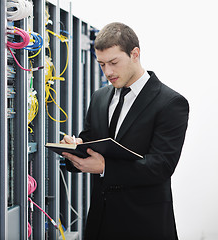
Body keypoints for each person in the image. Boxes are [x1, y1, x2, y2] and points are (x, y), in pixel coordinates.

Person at [61, 22, 189, 240]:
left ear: (135, 54)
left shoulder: (170, 103)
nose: (108, 71)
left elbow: (161, 166)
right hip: (100, 224)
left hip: (144, 225)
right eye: (101, 64)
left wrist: (104, 167)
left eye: (113, 62)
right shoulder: (100, 97)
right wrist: (76, 148)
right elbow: (92, 140)